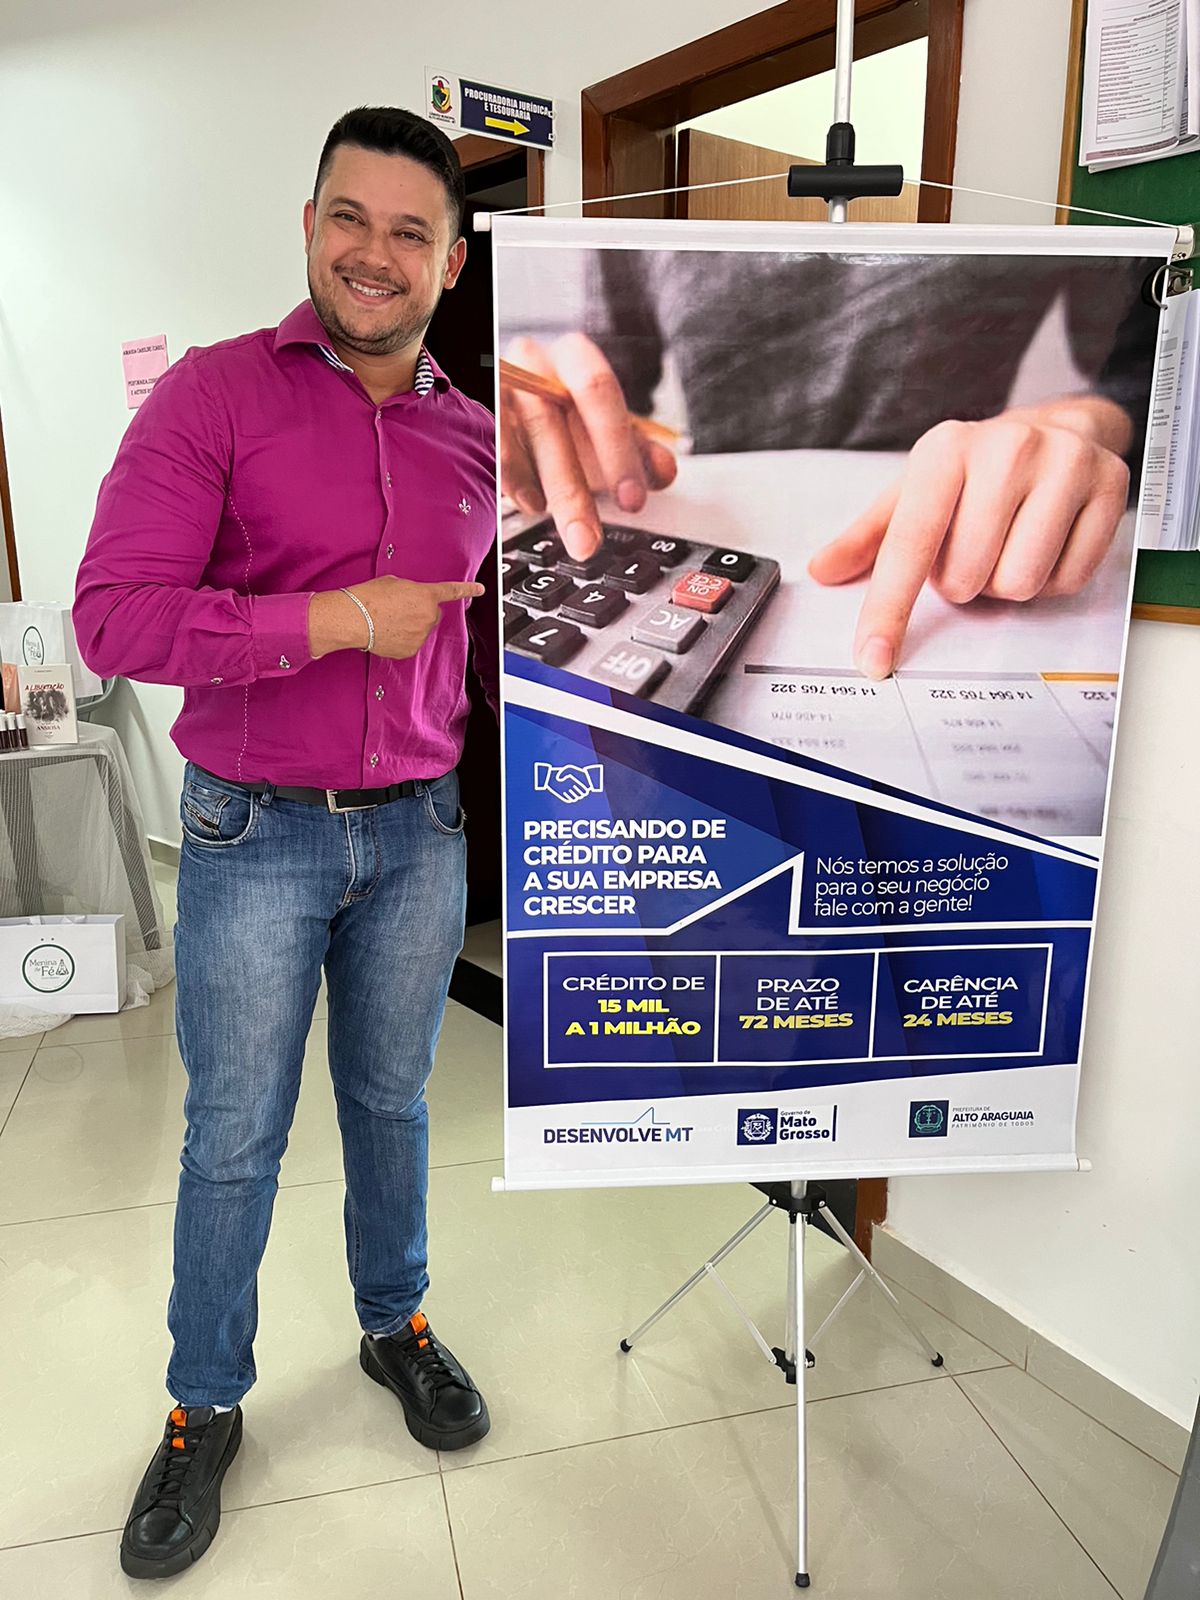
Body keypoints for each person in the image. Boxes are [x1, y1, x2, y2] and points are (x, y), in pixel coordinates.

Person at [74, 107, 496, 1581]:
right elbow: (114, 618)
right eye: (349, 218)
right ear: (309, 226)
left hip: (422, 832)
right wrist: (332, 618)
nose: (374, 253)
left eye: (410, 231)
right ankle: (203, 1405)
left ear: (451, 261)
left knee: (392, 1106)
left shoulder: (478, 437)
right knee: (235, 1135)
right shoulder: (214, 395)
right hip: (253, 832)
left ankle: (396, 1324)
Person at [500, 248, 1158, 679]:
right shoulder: (636, 221)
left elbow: (1150, 362)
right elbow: (612, 381)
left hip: (963, 530)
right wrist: (552, 418)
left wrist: (1084, 422)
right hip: (705, 532)